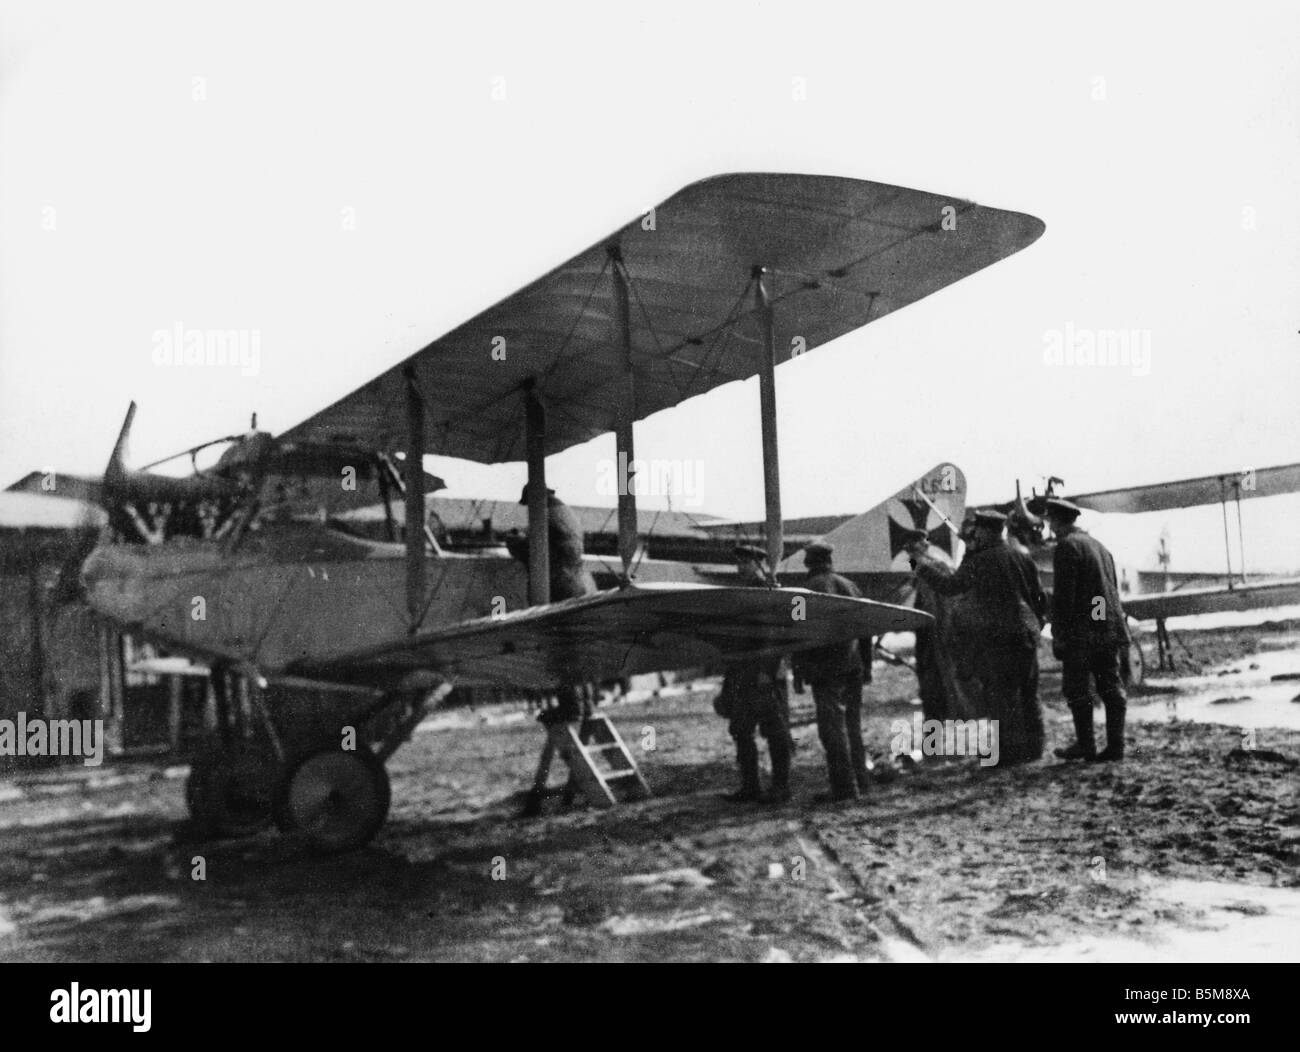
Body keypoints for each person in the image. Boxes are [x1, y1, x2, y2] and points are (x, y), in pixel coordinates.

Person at [908, 510, 1046, 766]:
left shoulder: (980, 560)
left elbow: (950, 587)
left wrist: (919, 566)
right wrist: (1037, 625)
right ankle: (1035, 748)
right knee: (1028, 693)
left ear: (984, 531)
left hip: (998, 639)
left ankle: (1009, 754)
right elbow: (1039, 597)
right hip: (1026, 635)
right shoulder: (1021, 555)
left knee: (1001, 696)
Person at [1045, 497, 1129, 762]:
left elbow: (1065, 597)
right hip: (1108, 630)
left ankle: (1086, 745)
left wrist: (1060, 634)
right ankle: (1116, 746)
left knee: (1077, 689)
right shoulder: (1100, 547)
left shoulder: (1067, 547)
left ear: (1056, 521)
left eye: (1050, 521)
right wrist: (1101, 622)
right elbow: (1107, 592)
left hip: (1083, 635)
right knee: (1111, 688)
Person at [792, 541, 869, 801]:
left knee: (832, 729)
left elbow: (797, 633)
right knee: (853, 726)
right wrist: (866, 666)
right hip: (853, 666)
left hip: (825, 669)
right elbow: (866, 628)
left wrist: (799, 670)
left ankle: (845, 789)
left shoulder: (800, 594)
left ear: (807, 563)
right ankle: (862, 781)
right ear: (830, 561)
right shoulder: (851, 587)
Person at [716, 545, 793, 804]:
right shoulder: (742, 594)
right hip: (742, 674)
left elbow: (776, 637)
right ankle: (751, 786)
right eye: (739, 563)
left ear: (759, 564)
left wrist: (766, 672)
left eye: (746, 563)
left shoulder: (767, 592)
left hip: (764, 676)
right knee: (741, 730)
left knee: (775, 732)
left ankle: (780, 787)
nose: (740, 567)